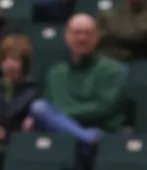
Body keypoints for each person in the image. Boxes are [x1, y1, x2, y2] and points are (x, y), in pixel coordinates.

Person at [28, 13, 126, 145]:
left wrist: (62, 115)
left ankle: (83, 137)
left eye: (87, 33)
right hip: (64, 136)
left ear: (97, 37)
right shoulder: (55, 73)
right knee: (39, 108)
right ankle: (84, 138)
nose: (82, 38)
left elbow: (104, 108)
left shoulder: (114, 70)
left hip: (99, 132)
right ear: (66, 37)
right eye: (76, 33)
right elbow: (50, 107)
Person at [0, 35, 40, 155]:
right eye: (6, 59)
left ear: (24, 63)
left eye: (15, 60)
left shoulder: (32, 91)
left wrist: (8, 134)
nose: (10, 65)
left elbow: (28, 127)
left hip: (19, 149)